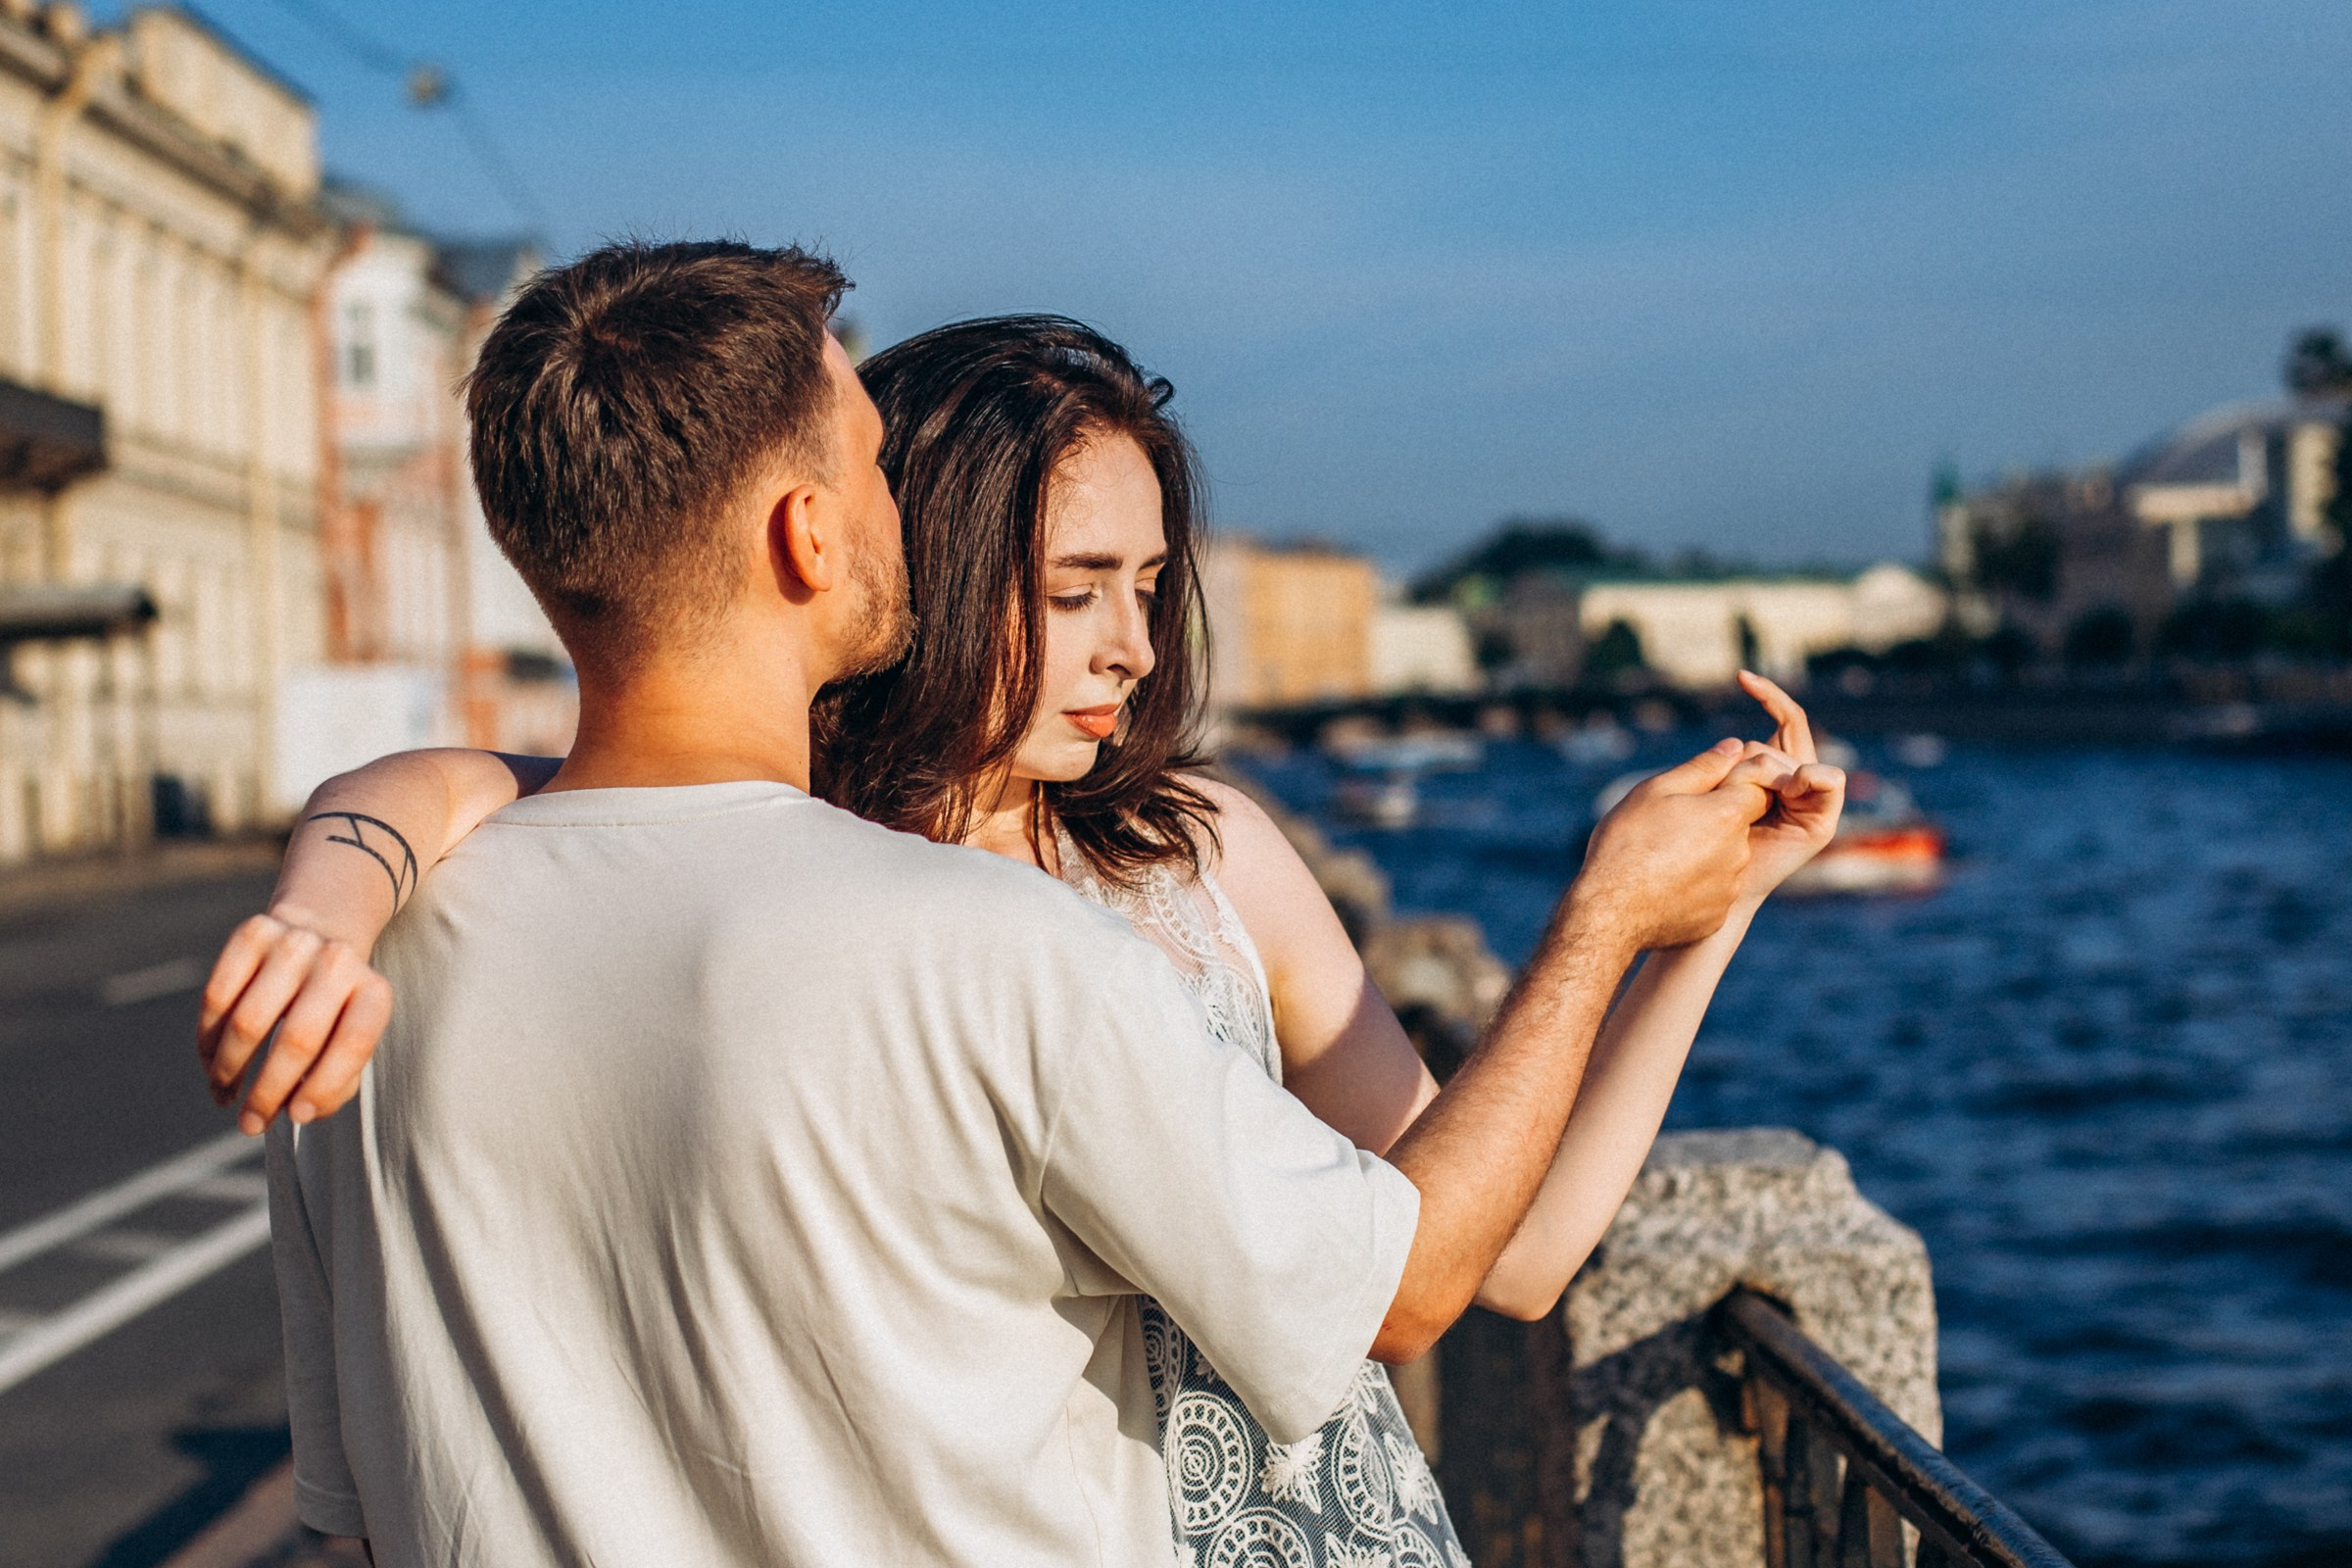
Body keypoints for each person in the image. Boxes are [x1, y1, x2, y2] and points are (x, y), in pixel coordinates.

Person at [204, 243, 1835, 1568]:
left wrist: (1692, 926)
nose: (1133, 644)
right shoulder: (981, 947)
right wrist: (1598, 918)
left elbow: (1506, 1252)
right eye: (1071, 589)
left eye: (1151, 585)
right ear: (845, 538)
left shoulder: (375, 976)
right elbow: (1404, 1289)